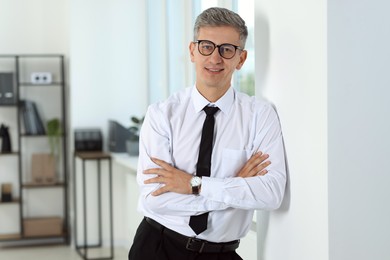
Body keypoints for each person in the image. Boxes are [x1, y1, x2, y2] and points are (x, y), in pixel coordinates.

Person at [128, 7, 286, 260]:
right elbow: (154, 199)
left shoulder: (260, 115)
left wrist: (194, 184)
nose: (215, 58)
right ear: (193, 51)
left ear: (241, 58)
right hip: (157, 247)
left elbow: (270, 194)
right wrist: (234, 188)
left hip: (222, 253)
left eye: (226, 49)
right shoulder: (161, 115)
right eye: (206, 46)